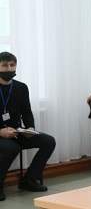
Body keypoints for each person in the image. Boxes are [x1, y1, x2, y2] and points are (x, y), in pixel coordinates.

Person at [0, 52, 56, 201]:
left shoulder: (21, 87)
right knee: (12, 147)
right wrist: (1, 132)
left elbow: (26, 112)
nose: (9, 68)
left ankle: (29, 179)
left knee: (48, 141)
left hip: (17, 132)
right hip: (1, 134)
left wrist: (30, 128)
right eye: (5, 65)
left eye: (12, 65)